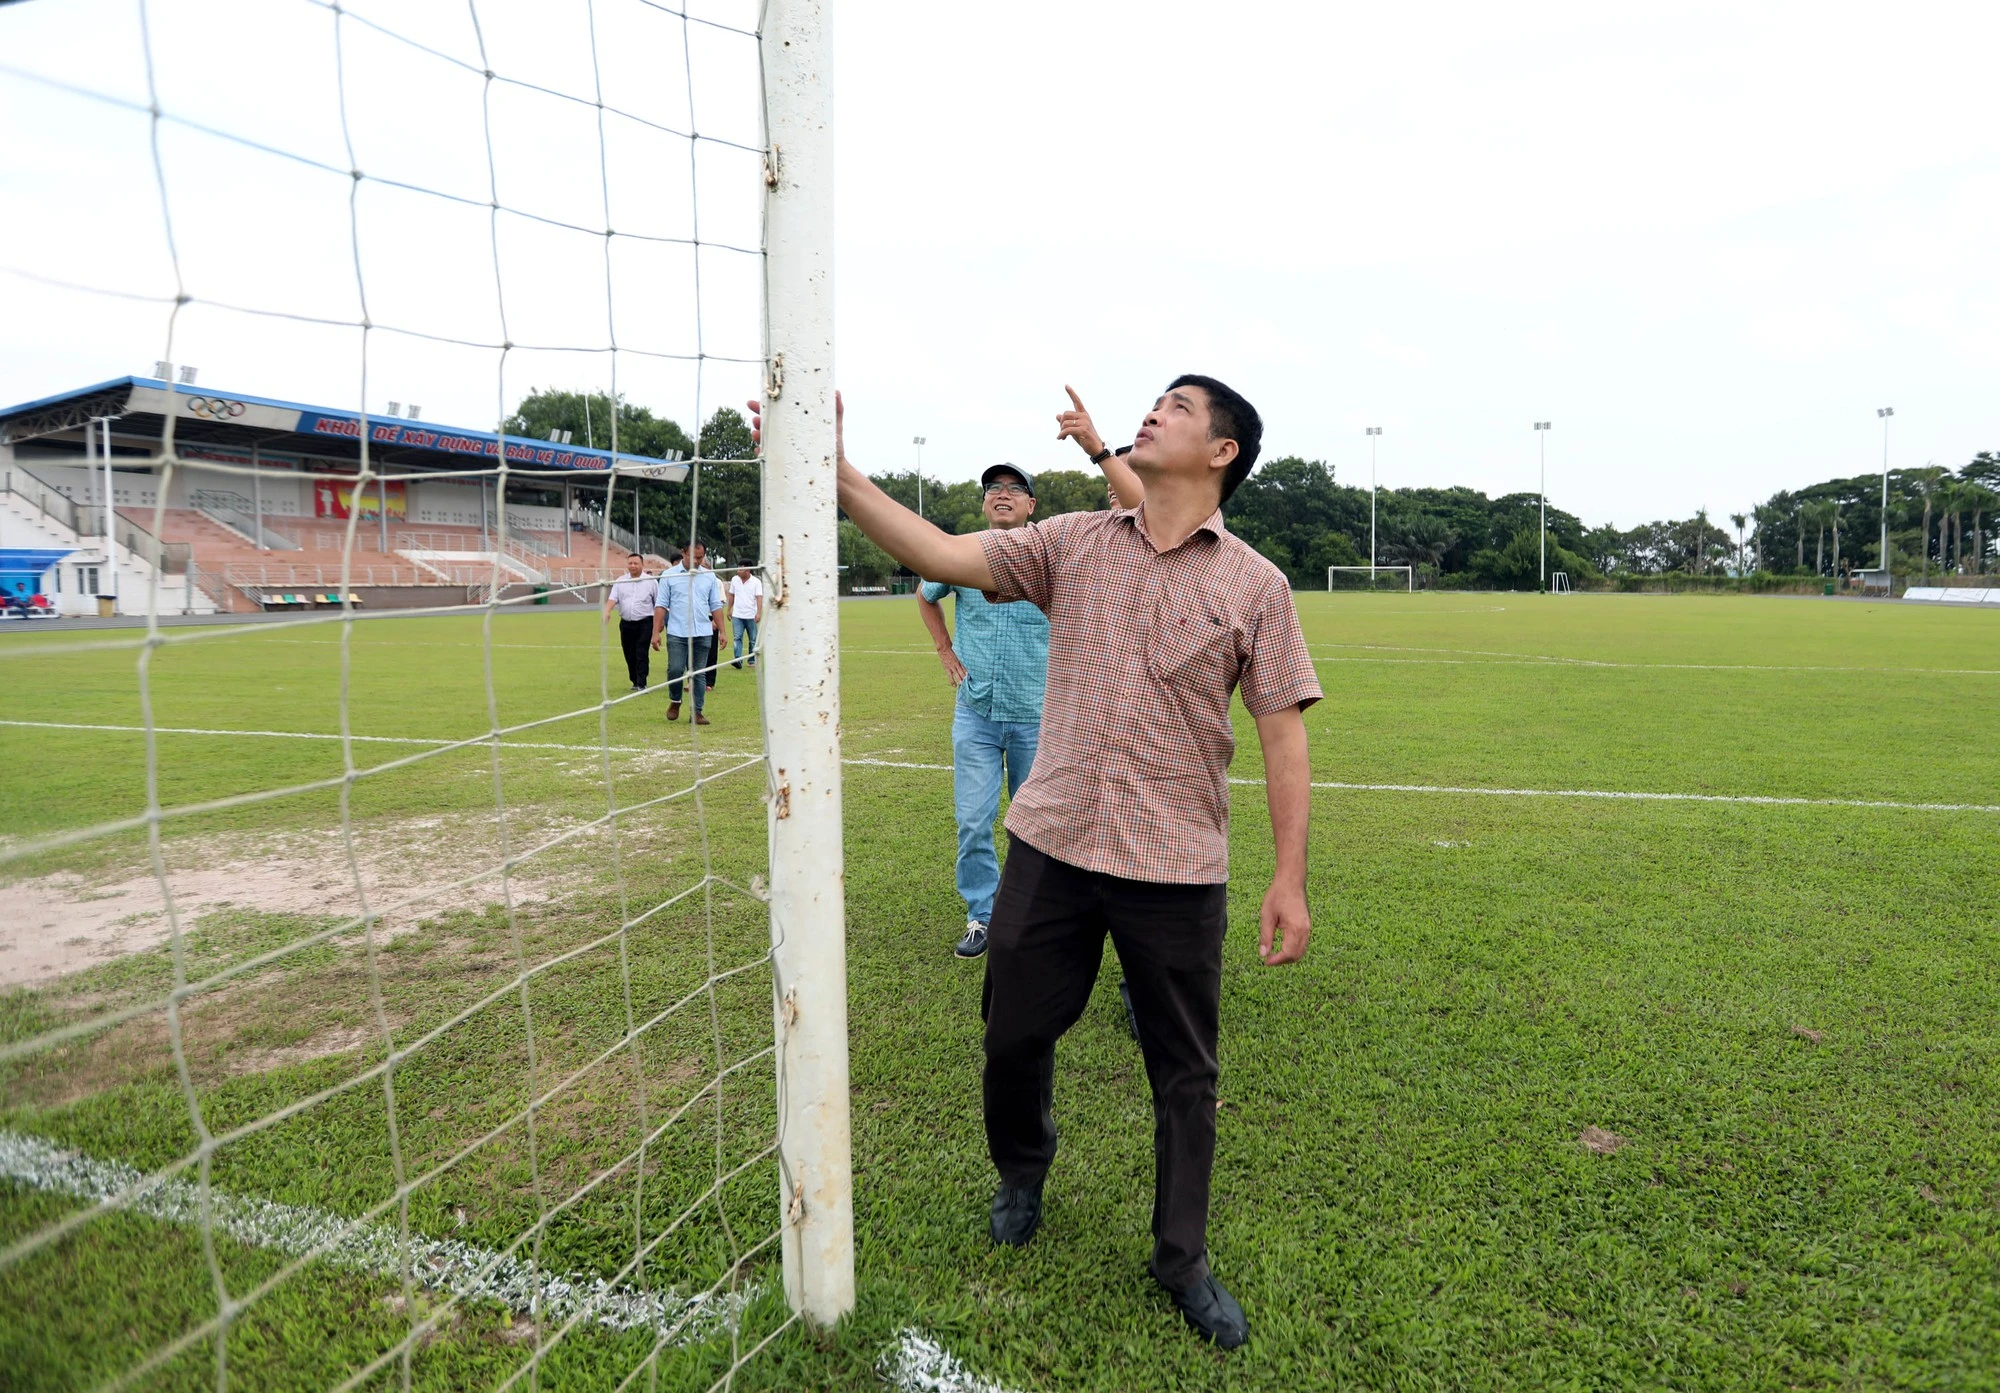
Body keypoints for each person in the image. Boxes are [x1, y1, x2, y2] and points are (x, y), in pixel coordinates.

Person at [748, 377, 1320, 1350]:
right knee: (1012, 1034)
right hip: (1051, 846)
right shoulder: (1071, 542)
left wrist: (1287, 877)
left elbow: (1282, 736)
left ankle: (1180, 1257)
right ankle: (1023, 1169)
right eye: (1154, 401)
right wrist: (834, 471)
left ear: (1222, 452)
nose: (1152, 412)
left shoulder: (1255, 586)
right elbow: (935, 552)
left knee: (1183, 1072)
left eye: (1178, 407)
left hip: (1176, 867)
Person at [917, 463, 1049, 960]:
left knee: (1034, 822)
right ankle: (983, 914)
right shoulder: (963, 553)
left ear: (1031, 505)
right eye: (994, 488)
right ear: (983, 503)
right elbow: (926, 595)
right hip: (975, 711)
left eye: (1016, 489)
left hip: (1036, 714)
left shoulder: (1051, 555)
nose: (1003, 494)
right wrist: (945, 651)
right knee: (974, 820)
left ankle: (1030, 913)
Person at [652, 541, 726, 724]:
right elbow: (661, 604)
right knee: (675, 669)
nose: (697, 561)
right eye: (694, 557)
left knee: (699, 673)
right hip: (677, 632)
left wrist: (723, 630)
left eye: (701, 558)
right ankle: (675, 700)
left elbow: (715, 605)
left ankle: (697, 712)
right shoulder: (668, 576)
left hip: (703, 631)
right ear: (683, 553)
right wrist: (656, 632)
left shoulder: (709, 576)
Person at [602, 552, 658, 692]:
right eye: (630, 563)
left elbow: (658, 604)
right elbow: (612, 599)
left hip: (645, 623)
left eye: (636, 563)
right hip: (626, 623)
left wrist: (659, 624)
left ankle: (642, 682)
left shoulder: (651, 582)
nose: (633, 566)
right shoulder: (621, 581)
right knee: (629, 653)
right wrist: (607, 611)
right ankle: (634, 680)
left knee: (641, 652)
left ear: (642, 565)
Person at [727, 562, 763, 670]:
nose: (738, 571)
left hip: (751, 615)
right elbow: (732, 595)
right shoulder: (734, 580)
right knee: (737, 637)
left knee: (753, 639)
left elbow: (759, 598)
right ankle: (738, 659)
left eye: (741, 569)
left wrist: (758, 613)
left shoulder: (756, 582)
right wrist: (729, 609)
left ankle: (751, 660)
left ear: (748, 570)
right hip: (737, 614)